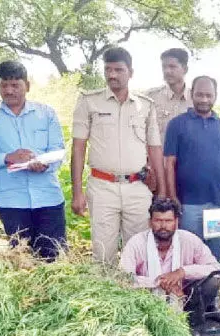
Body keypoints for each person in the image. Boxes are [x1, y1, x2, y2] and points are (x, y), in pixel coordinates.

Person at [70, 47, 165, 264]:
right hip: (102, 188)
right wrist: (77, 193)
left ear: (130, 72)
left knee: (140, 252)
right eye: (108, 69)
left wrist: (161, 190)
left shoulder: (145, 105)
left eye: (119, 70)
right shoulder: (89, 101)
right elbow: (78, 149)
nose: (112, 75)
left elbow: (155, 149)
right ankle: (106, 296)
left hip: (137, 189)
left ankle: (139, 295)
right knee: (103, 255)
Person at [0, 60, 67, 261]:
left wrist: (43, 164)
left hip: (49, 199)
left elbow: (58, 151)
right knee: (22, 261)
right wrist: (7, 157)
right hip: (11, 202)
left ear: (27, 85)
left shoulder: (46, 113)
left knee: (54, 262)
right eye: (3, 85)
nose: (9, 91)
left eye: (15, 85)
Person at [163, 75, 220, 261]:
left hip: (219, 203)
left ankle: (211, 291)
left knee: (214, 257)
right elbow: (169, 164)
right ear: (191, 94)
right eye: (200, 95)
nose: (204, 99)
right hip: (189, 205)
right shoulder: (177, 124)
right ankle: (190, 291)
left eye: (209, 95)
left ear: (215, 96)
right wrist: (173, 198)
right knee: (189, 255)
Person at [119, 197, 220, 324]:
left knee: (211, 283)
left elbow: (216, 268)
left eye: (168, 221)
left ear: (176, 222)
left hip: (184, 297)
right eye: (158, 221)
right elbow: (124, 277)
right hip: (146, 299)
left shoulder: (189, 240)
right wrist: (160, 282)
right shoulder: (137, 243)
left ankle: (192, 325)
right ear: (150, 222)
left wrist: (182, 272)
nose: (163, 226)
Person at [146, 48, 192, 194]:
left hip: (188, 169)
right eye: (164, 67)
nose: (167, 71)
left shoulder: (196, 99)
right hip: (158, 170)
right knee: (159, 214)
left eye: (172, 67)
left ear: (184, 69)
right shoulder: (151, 98)